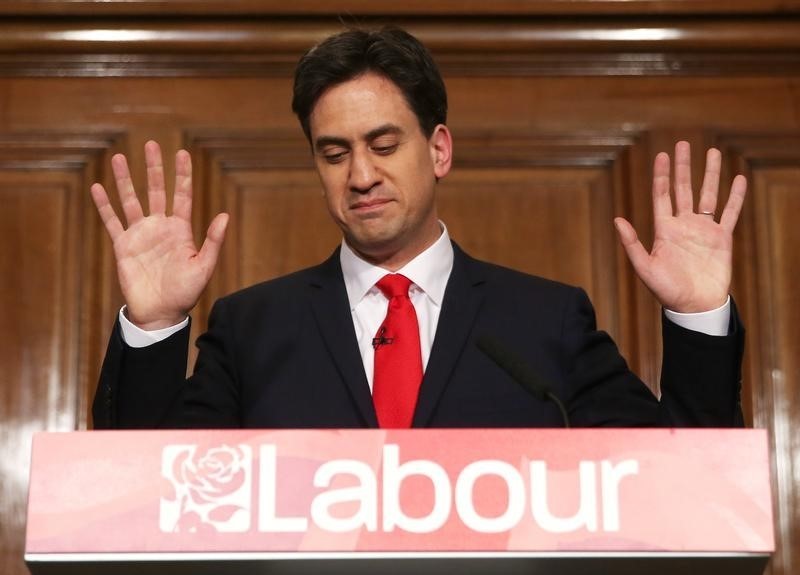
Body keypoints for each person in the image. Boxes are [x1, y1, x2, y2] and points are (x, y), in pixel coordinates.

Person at [91, 27, 746, 430]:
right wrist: (152, 327)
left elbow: (679, 486)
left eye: (383, 143)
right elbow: (150, 492)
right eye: (334, 151)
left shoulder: (545, 322)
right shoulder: (251, 329)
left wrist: (697, 319)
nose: (361, 175)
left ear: (438, 150)